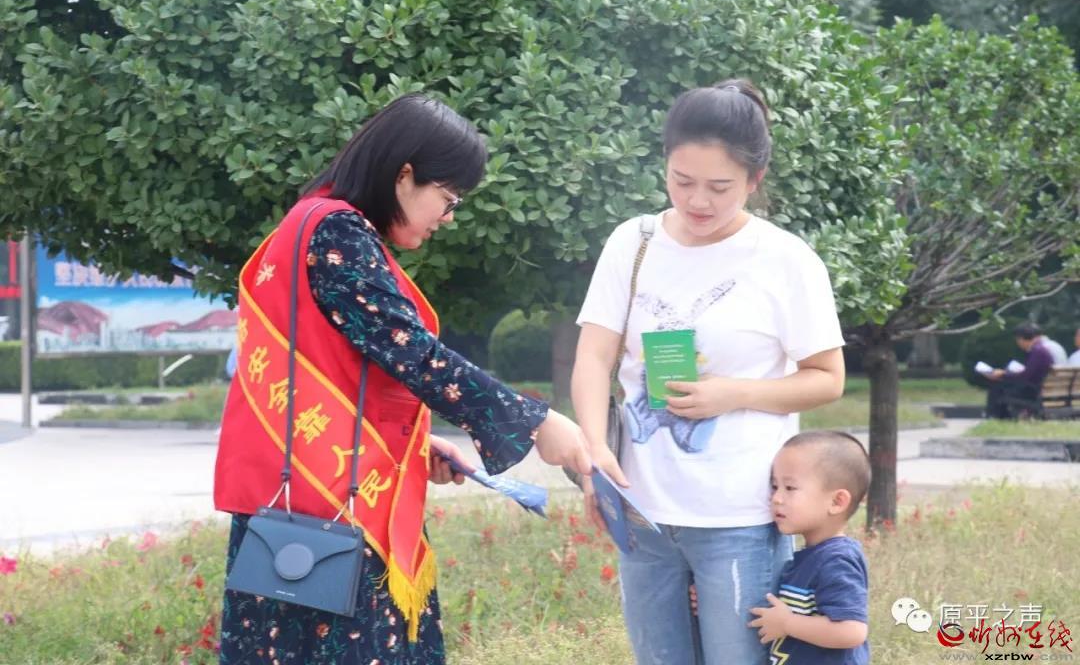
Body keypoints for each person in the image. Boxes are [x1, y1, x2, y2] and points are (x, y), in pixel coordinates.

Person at [213, 94, 592, 665]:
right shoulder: (338, 233)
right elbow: (409, 352)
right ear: (404, 174)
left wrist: (412, 442)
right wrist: (533, 420)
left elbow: (334, 366)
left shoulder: (307, 223)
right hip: (332, 519)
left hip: (292, 514)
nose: (449, 217)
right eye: (448, 198)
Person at [572, 79, 846, 665]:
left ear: (755, 179)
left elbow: (827, 377)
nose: (697, 201)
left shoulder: (786, 260)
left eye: (719, 187)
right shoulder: (632, 243)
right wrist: (594, 452)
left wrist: (733, 393)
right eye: (681, 180)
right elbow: (594, 357)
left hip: (738, 516)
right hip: (643, 512)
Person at [749, 431, 870, 665]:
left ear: (836, 502)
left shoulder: (837, 559)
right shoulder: (809, 557)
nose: (776, 498)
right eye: (774, 486)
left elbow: (851, 631)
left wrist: (788, 624)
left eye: (790, 488)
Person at [982, 322, 1055, 419]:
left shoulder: (1037, 351)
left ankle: (993, 415)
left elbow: (1026, 376)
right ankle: (998, 415)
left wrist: (1003, 374)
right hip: (1035, 387)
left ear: (1021, 339)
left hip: (1032, 391)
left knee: (997, 385)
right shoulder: (1040, 349)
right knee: (999, 385)